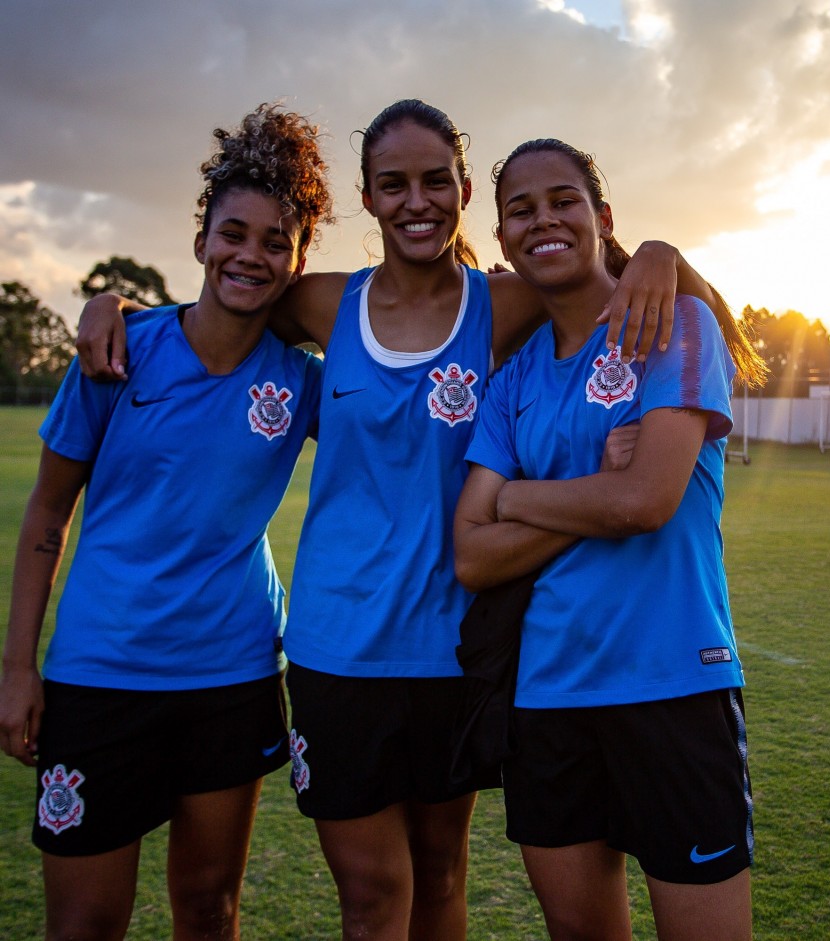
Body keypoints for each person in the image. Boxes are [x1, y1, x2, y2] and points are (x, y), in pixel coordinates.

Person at [75, 99, 726, 941]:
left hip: (452, 647)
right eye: (393, 185)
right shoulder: (321, 305)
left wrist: (662, 253)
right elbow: (223, 302)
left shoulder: (504, 303)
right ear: (369, 198)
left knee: (443, 874)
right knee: (373, 892)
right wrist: (116, 307)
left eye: (434, 182)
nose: (415, 201)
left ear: (460, 191)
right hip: (333, 646)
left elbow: (629, 287)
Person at [0, 103, 331, 941]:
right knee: (83, 925)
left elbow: (406, 350)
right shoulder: (117, 353)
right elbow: (47, 510)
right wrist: (17, 669)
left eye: (273, 241)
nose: (249, 254)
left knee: (210, 911)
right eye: (233, 232)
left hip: (234, 675)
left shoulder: (302, 381)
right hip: (99, 675)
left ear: (297, 262)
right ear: (201, 241)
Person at [452, 138, 767, 941]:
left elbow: (645, 500)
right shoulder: (512, 379)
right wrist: (591, 484)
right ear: (501, 241)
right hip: (546, 698)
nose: (542, 220)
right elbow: (471, 555)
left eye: (561, 199)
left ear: (602, 217)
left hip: (674, 685)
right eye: (519, 210)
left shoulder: (677, 324)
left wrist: (520, 494)